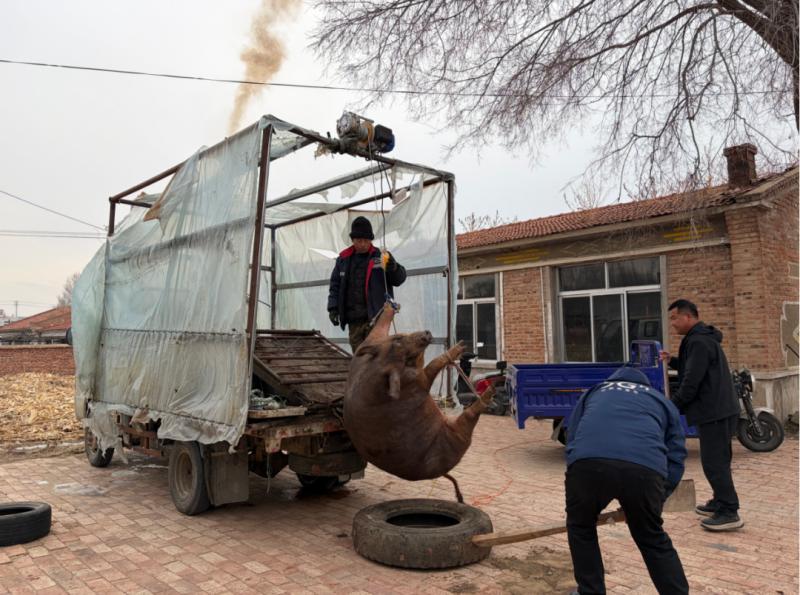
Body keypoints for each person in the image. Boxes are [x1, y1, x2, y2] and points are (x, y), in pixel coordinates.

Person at [565, 367, 688, 595]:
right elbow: (676, 453)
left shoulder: (595, 391)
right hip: (644, 470)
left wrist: (576, 469)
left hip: (589, 464)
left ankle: (590, 591)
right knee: (651, 536)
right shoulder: (660, 400)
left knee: (581, 525)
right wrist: (658, 496)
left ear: (612, 380)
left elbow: (572, 433)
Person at [659, 298, 742, 531]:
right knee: (718, 461)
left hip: (714, 411)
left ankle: (729, 511)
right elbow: (694, 367)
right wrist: (672, 360)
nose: (673, 323)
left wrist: (670, 408)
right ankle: (720, 501)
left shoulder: (698, 341)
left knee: (715, 463)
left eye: (675, 318)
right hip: (718, 409)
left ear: (688, 317)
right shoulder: (700, 339)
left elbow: (691, 382)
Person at [327, 216, 406, 352]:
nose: (363, 244)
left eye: (366, 240)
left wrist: (393, 268)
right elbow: (335, 286)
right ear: (352, 240)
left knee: (377, 355)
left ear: (371, 240)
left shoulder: (381, 257)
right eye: (359, 240)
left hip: (377, 319)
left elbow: (399, 279)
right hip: (354, 321)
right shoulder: (343, 260)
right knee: (359, 356)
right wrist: (333, 308)